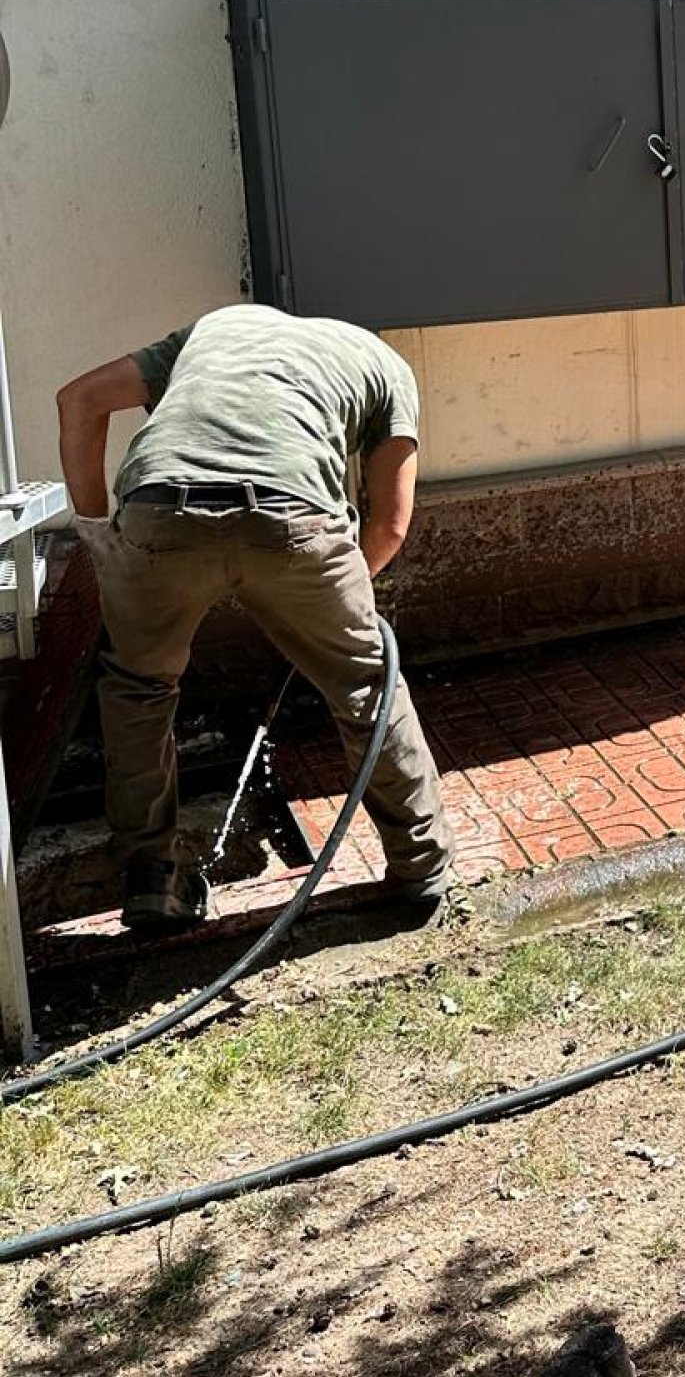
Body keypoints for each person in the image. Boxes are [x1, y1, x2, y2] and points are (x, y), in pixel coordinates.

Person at [56, 304, 457, 933]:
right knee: (366, 685)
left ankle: (152, 880)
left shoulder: (216, 329)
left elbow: (79, 399)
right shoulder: (386, 367)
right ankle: (421, 869)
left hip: (158, 510)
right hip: (292, 513)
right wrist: (332, 605)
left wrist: (94, 532)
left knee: (139, 687)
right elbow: (389, 524)